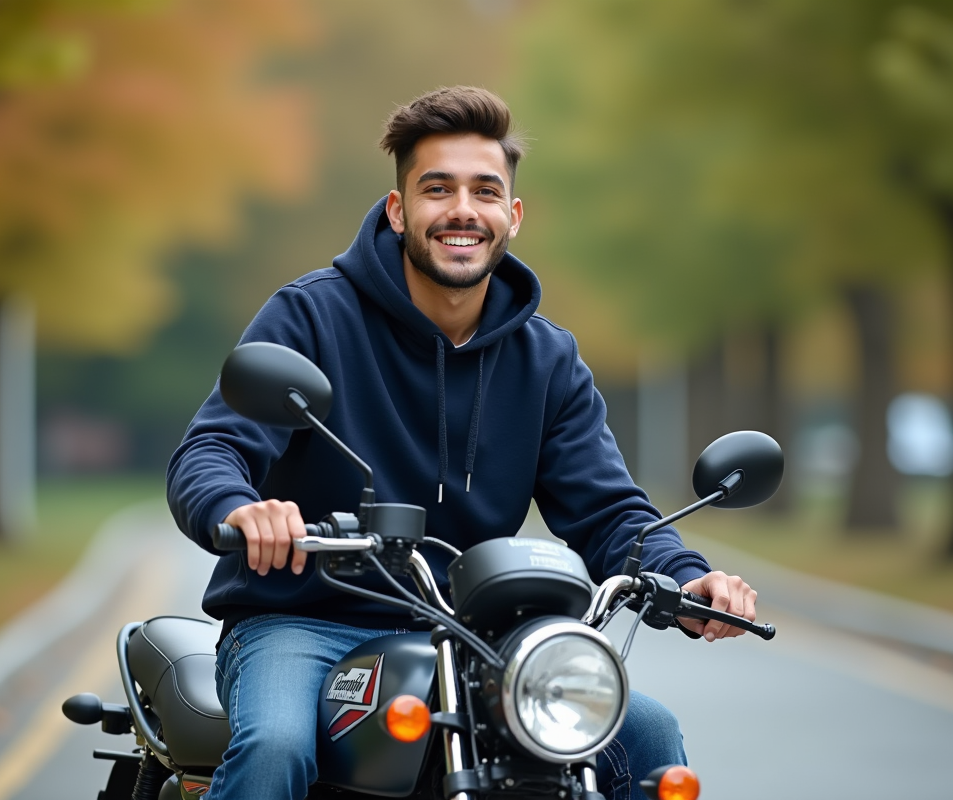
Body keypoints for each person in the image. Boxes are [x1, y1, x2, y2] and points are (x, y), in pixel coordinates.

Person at [167, 86, 757, 800]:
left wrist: (686, 576)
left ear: (512, 215)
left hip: (472, 636)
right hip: (304, 620)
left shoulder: (548, 360)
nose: (461, 211)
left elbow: (607, 514)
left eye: (485, 191)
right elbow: (211, 451)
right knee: (274, 748)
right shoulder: (311, 315)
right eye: (436, 189)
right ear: (398, 210)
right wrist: (240, 509)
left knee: (645, 736)